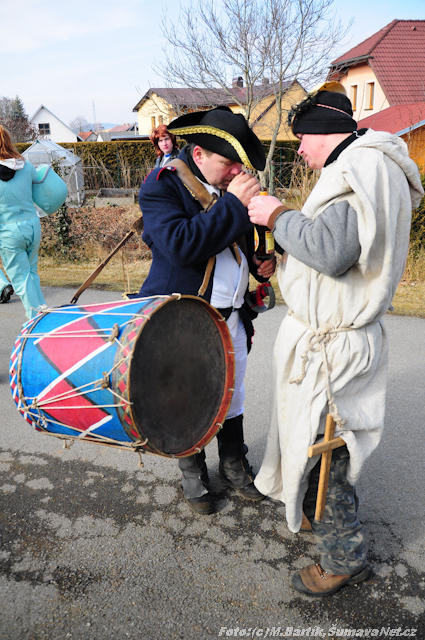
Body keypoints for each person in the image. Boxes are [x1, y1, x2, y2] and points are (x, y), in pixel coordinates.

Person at [247, 84, 424, 596]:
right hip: (335, 339)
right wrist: (282, 260)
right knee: (320, 446)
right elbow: (333, 257)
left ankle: (343, 558)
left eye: (302, 138)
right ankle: (316, 518)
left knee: (330, 454)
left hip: (336, 350)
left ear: (324, 132)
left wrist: (277, 216)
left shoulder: (359, 172)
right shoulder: (362, 167)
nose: (299, 149)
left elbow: (330, 251)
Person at [138, 106, 275, 515]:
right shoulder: (161, 187)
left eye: (239, 165)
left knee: (232, 392)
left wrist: (257, 262)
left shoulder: (227, 188)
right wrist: (233, 204)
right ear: (198, 155)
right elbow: (182, 246)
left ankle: (234, 464)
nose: (236, 172)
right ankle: (192, 473)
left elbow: (236, 243)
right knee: (187, 396)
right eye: (228, 162)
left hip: (232, 314)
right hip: (184, 319)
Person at [0, 124, 47, 319]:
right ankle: (44, 311)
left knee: (21, 278)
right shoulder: (26, 165)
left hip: (9, 230)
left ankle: (35, 320)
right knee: (32, 273)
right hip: (32, 225)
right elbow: (40, 188)